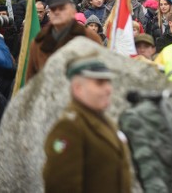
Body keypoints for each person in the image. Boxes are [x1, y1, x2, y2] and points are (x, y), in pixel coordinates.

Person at [43, 56, 131, 193]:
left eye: (108, 82)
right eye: (100, 83)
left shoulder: (104, 121)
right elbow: (61, 186)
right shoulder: (69, 127)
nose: (108, 89)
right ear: (78, 88)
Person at [28, 0, 102, 80]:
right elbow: (31, 79)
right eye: (53, 9)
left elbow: (99, 76)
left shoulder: (90, 38)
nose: (57, 12)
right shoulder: (39, 41)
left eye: (62, 9)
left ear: (73, 12)